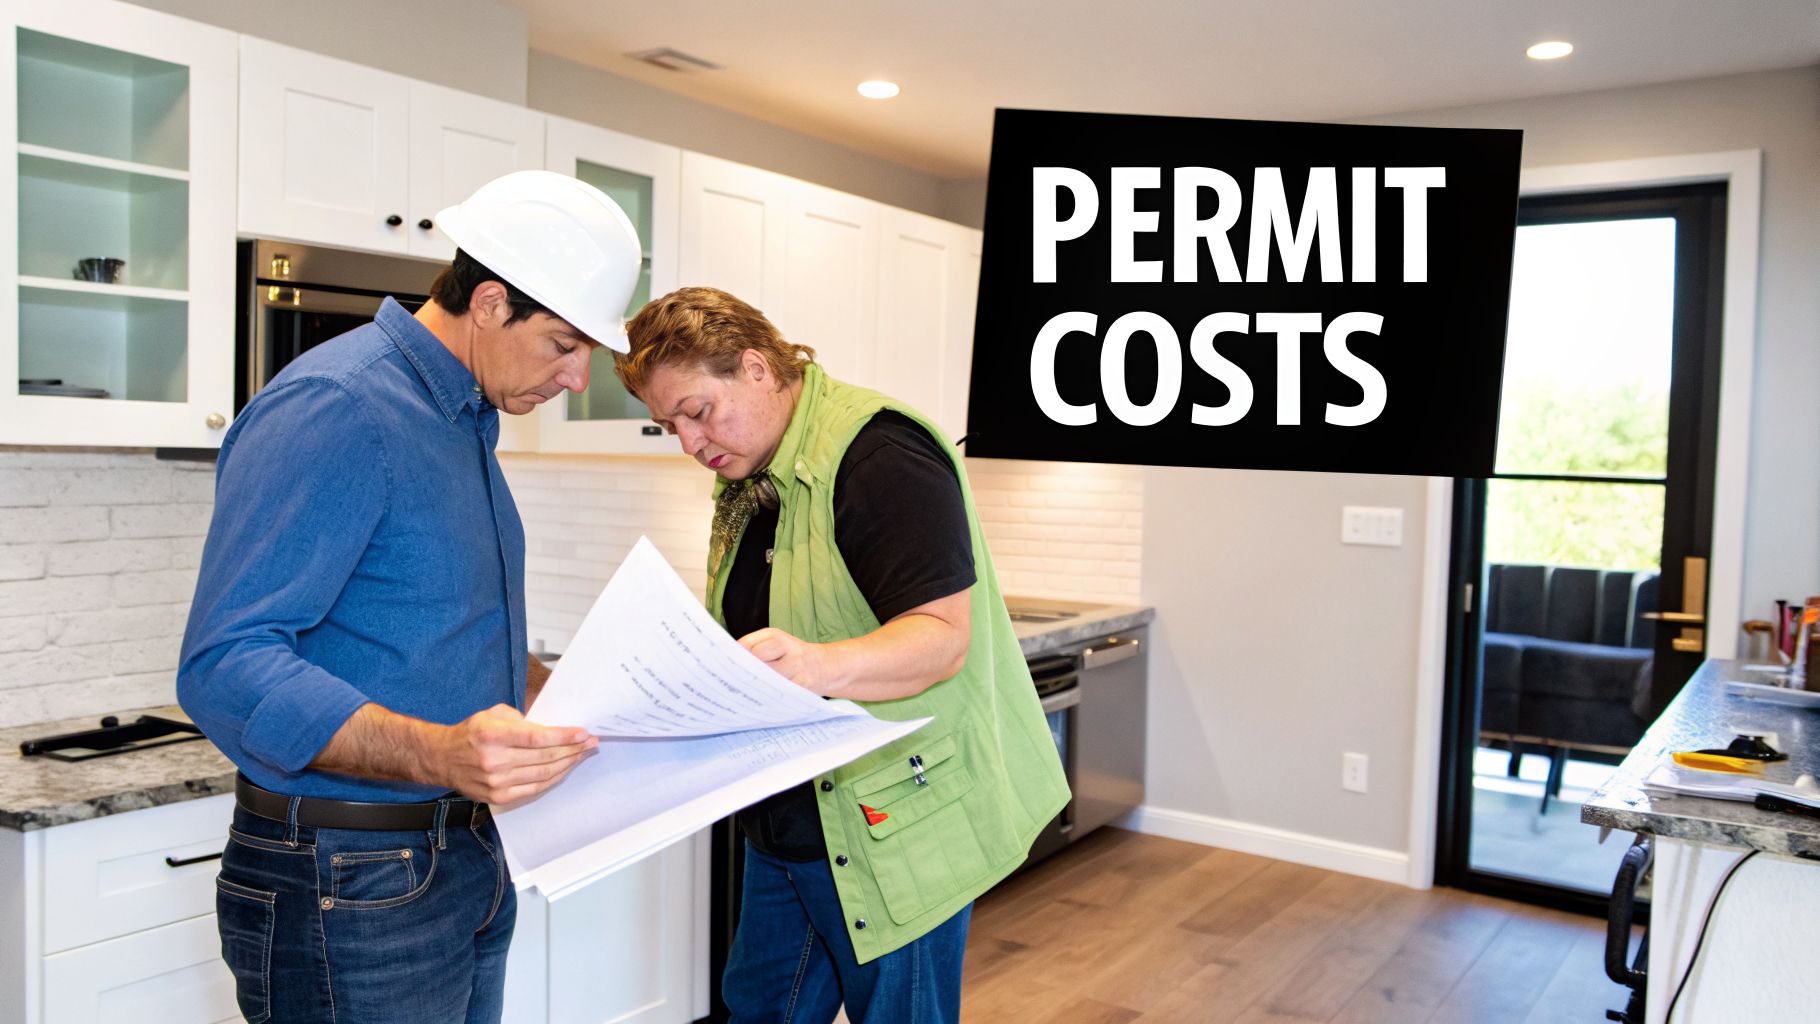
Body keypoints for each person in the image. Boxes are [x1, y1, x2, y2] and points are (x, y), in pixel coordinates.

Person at [177, 170, 644, 1024]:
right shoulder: (340, 406)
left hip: (461, 857)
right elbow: (224, 664)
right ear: (492, 302)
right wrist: (437, 753)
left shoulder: (462, 417)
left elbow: (435, 630)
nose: (579, 379)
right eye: (566, 344)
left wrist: (574, 696)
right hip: (346, 877)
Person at [613, 286, 1070, 1024]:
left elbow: (941, 638)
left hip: (895, 823)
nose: (690, 442)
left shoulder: (879, 454)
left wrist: (815, 665)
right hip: (790, 823)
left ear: (757, 369)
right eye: (671, 425)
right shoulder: (751, 478)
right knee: (759, 1008)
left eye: (697, 412)